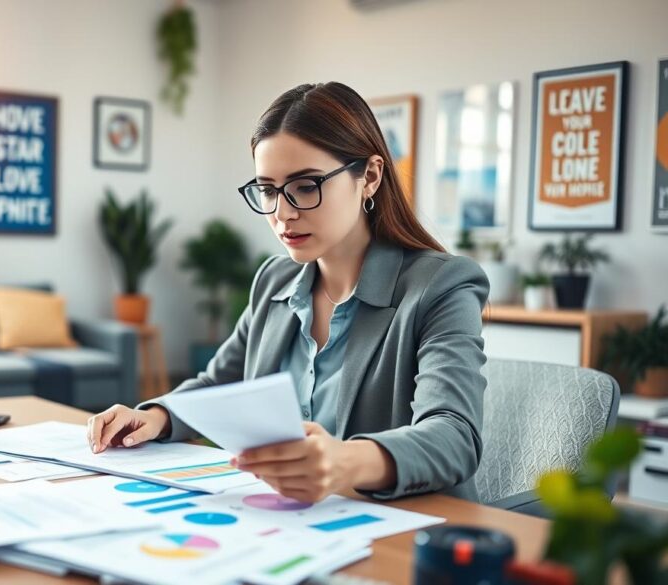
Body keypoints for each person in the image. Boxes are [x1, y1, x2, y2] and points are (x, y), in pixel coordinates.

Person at [86, 82, 489, 504]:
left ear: (369, 176)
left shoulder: (441, 286)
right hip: (293, 527)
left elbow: (454, 434)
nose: (283, 213)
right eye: (268, 190)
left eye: (306, 186)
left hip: (409, 536)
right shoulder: (274, 281)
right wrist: (155, 416)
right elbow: (219, 383)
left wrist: (344, 462)